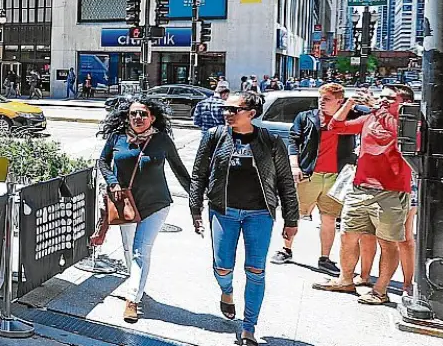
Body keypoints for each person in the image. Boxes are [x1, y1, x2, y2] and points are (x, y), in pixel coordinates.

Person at [189, 90, 298, 346]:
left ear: (251, 113)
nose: (227, 113)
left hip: (259, 214)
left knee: (256, 270)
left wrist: (291, 219)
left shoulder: (270, 140)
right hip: (223, 211)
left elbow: (285, 181)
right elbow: (199, 174)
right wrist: (195, 209)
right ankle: (227, 292)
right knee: (222, 267)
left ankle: (249, 327)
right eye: (225, 109)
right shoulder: (215, 136)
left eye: (233, 110)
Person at [313, 84, 415, 305]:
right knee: (348, 236)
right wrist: (350, 103)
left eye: (390, 98)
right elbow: (335, 126)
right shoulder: (371, 117)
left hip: (390, 192)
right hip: (359, 189)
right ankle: (345, 280)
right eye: (382, 97)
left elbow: (400, 136)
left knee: (388, 243)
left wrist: (378, 108)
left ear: (405, 103)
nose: (384, 100)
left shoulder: (408, 123)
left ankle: (380, 291)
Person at [97, 95, 192, 324]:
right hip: (126, 205)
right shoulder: (117, 137)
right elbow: (102, 161)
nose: (138, 117)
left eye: (143, 114)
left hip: (156, 204)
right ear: (127, 117)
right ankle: (136, 283)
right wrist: (112, 182)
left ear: (153, 118)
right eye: (133, 114)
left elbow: (180, 170)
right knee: (129, 249)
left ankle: (132, 299)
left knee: (140, 250)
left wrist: (196, 197)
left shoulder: (162, 140)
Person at [273, 83, 360, 273]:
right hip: (309, 174)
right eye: (320, 98)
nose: (322, 102)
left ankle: (325, 258)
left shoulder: (351, 117)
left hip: (336, 177)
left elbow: (370, 112)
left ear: (339, 101)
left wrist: (353, 103)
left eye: (327, 99)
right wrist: (294, 165)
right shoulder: (306, 117)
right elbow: (293, 140)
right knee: (294, 214)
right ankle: (286, 249)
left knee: (329, 219)